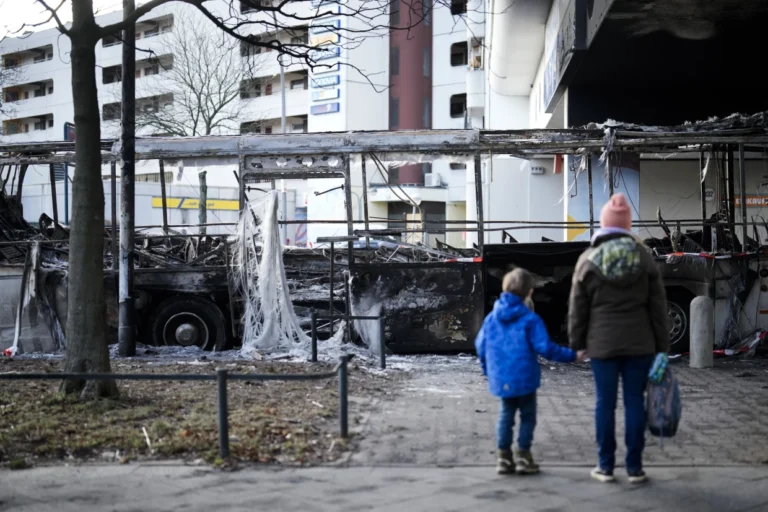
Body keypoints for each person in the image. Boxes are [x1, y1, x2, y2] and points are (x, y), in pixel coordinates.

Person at [568, 193, 670, 484]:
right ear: (627, 226)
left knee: (604, 404)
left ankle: (605, 466)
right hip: (640, 345)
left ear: (604, 225)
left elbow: (577, 309)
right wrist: (662, 348)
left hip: (602, 345)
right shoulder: (644, 258)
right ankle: (635, 468)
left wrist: (578, 344)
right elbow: (658, 309)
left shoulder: (588, 260)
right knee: (635, 402)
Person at [476, 268, 585, 475]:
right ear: (530, 292)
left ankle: (503, 458)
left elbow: (481, 346)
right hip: (525, 378)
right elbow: (546, 348)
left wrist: (488, 370)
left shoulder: (492, 318)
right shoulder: (530, 319)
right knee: (527, 417)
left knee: (505, 416)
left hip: (502, 377)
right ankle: (523, 456)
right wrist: (573, 356)